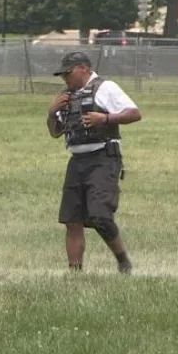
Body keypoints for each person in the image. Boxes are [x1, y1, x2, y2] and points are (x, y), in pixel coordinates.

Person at [47, 52, 142, 273]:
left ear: (84, 68)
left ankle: (123, 261)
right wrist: (52, 113)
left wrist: (106, 118)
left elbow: (135, 113)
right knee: (72, 219)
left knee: (100, 216)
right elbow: (55, 132)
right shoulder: (66, 97)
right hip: (77, 160)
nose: (65, 79)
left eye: (68, 73)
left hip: (103, 157)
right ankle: (74, 274)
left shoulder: (106, 88)